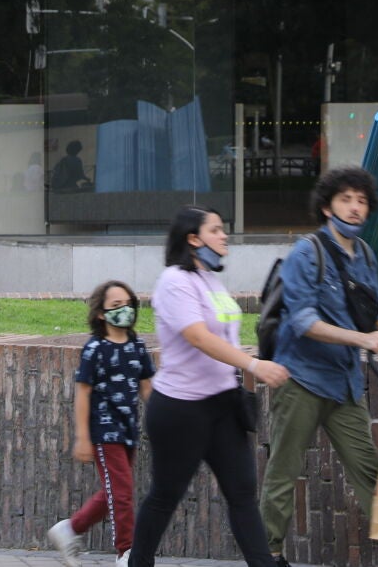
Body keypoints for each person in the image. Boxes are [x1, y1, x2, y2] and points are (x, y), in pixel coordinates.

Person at [260, 166, 378, 567]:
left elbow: (375, 311)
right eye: (346, 199)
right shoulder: (306, 253)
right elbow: (303, 321)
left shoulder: (364, 254)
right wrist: (362, 340)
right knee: (284, 470)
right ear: (327, 206)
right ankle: (269, 553)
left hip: (344, 384)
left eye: (362, 201)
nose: (354, 208)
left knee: (368, 470)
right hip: (300, 379)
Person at [128, 205, 290, 567]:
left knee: (243, 495)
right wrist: (254, 365)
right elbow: (199, 337)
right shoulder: (174, 281)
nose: (224, 235)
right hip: (181, 409)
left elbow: (226, 340)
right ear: (193, 238)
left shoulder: (209, 280)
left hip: (223, 406)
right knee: (165, 495)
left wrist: (250, 373)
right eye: (215, 230)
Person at [48, 281, 155, 567]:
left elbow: (147, 388)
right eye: (116, 306)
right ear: (100, 313)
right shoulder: (94, 349)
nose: (124, 310)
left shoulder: (137, 346)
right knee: (122, 492)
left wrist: (162, 420)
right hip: (104, 432)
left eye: (128, 304)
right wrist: (83, 437)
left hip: (128, 430)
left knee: (115, 491)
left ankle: (70, 528)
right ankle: (126, 552)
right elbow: (83, 392)